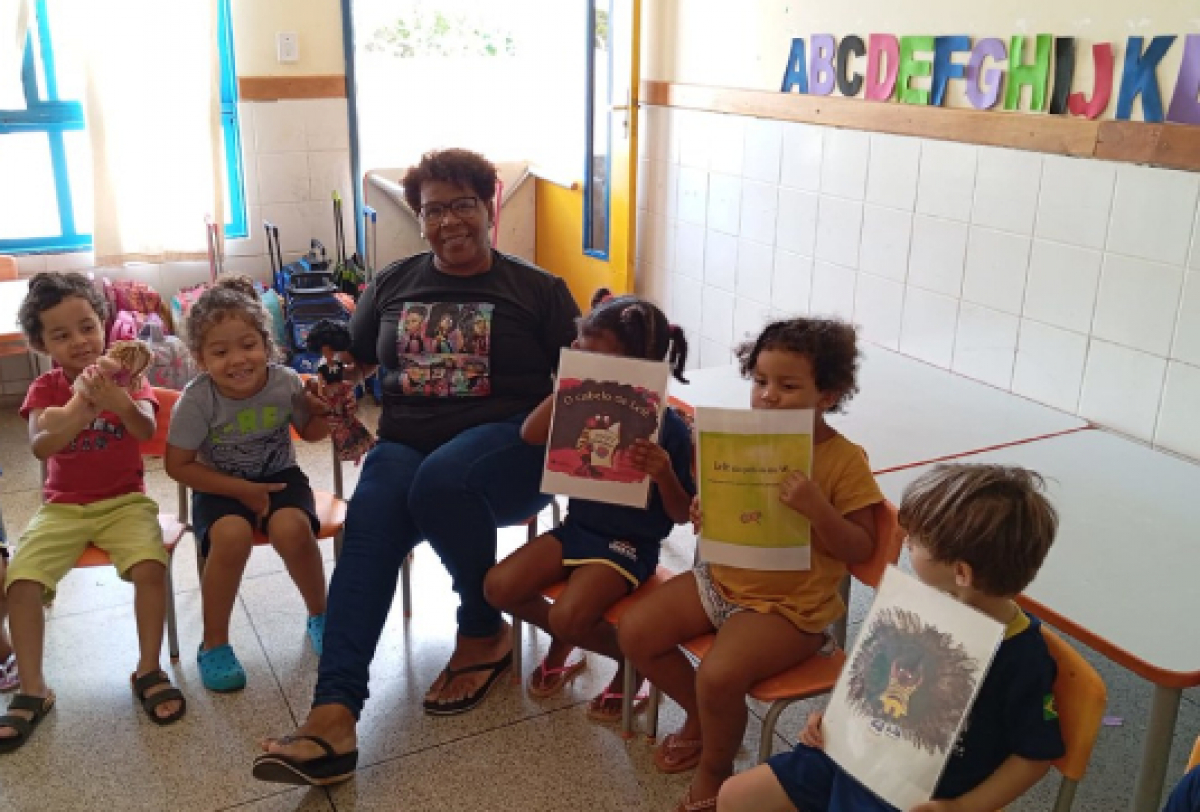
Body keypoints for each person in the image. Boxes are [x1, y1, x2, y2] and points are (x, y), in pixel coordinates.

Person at [253, 147, 580, 787]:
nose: (449, 221)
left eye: (463, 204)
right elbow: (358, 358)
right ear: (419, 218)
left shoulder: (537, 290)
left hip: (512, 451)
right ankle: (333, 716)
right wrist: (337, 380)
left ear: (492, 207)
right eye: (434, 209)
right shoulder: (394, 282)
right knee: (371, 521)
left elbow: (584, 384)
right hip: (409, 440)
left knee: (443, 478)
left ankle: (482, 629)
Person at [619, 317, 883, 811]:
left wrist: (816, 507)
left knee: (718, 676)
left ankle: (715, 770)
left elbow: (860, 549)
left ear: (828, 395)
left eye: (788, 386)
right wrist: (705, 509)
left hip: (788, 610)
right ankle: (703, 719)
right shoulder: (743, 442)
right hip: (720, 582)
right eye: (760, 382)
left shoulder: (845, 460)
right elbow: (725, 510)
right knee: (635, 631)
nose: (768, 396)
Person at [717, 464, 1065, 812]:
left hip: (909, 798)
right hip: (844, 759)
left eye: (916, 541)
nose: (906, 542)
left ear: (961, 572)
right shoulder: (919, 609)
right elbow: (870, 685)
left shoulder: (1022, 657)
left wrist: (962, 807)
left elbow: (1034, 756)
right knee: (735, 797)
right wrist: (833, 721)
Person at [484, 295, 694, 723]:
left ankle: (636, 659)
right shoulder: (578, 402)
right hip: (578, 529)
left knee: (568, 614)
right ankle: (580, 639)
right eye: (578, 345)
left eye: (593, 351)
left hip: (627, 545)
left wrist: (664, 473)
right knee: (499, 587)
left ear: (637, 364)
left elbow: (681, 515)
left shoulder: (668, 426)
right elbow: (529, 434)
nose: (578, 354)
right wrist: (569, 383)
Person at [0, 272, 186, 753]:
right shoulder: (45, 388)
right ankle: (33, 688)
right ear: (42, 344)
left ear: (103, 324)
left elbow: (145, 430)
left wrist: (119, 400)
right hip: (63, 509)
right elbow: (43, 444)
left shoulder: (130, 377)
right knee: (20, 582)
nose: (80, 341)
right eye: (61, 335)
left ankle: (148, 667)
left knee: (150, 567)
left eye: (87, 327)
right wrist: (83, 405)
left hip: (125, 500)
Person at [164, 276, 330, 692]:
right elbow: (178, 465)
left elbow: (309, 435)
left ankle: (321, 615)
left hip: (279, 477)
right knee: (232, 536)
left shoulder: (285, 381)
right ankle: (214, 643)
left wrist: (322, 412)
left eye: (248, 345)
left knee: (293, 529)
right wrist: (240, 490)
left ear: (266, 343)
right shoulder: (197, 399)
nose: (238, 359)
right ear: (201, 359)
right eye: (220, 352)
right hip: (218, 485)